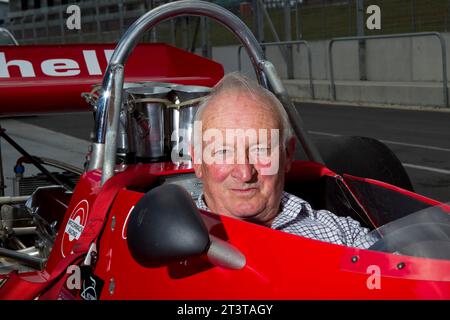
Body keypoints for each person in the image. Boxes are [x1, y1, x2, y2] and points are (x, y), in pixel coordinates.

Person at [190, 72, 374, 249]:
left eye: (261, 150)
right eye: (223, 151)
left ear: (287, 154)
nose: (245, 173)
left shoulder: (342, 235)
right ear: (197, 161)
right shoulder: (169, 247)